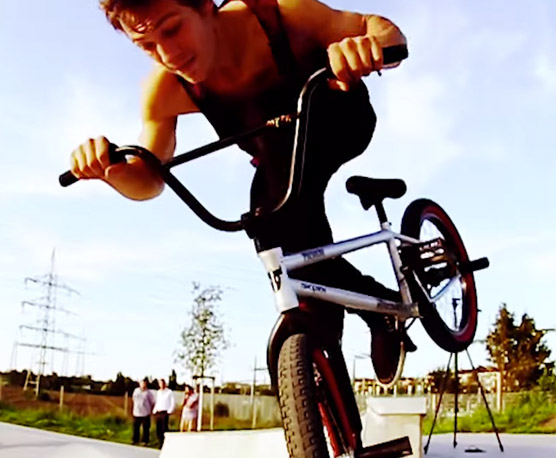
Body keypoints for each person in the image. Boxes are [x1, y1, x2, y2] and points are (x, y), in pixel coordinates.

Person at [68, 0, 413, 384]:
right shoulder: (164, 90)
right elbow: (150, 177)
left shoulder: (280, 13)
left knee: (279, 196)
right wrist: (110, 171)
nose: (167, 54)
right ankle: (347, 340)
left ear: (203, 6)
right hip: (277, 162)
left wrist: (364, 47)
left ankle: (355, 316)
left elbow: (383, 30)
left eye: (171, 29)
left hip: (339, 117)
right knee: (269, 231)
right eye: (147, 45)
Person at [131, 379, 156, 445]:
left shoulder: (149, 392)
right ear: (140, 384)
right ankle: (135, 440)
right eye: (142, 383)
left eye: (144, 384)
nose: (143, 385)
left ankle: (145, 441)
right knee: (136, 428)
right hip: (136, 412)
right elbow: (133, 399)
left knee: (146, 428)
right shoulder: (136, 391)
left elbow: (152, 402)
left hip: (145, 413)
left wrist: (150, 410)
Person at [152, 378, 176, 444]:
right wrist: (155, 409)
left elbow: (172, 402)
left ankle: (164, 441)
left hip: (165, 412)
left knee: (164, 428)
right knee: (158, 428)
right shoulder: (158, 392)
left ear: (165, 384)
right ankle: (159, 440)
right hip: (158, 411)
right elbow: (157, 401)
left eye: (162, 383)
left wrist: (170, 410)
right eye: (160, 384)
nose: (161, 385)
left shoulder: (169, 392)